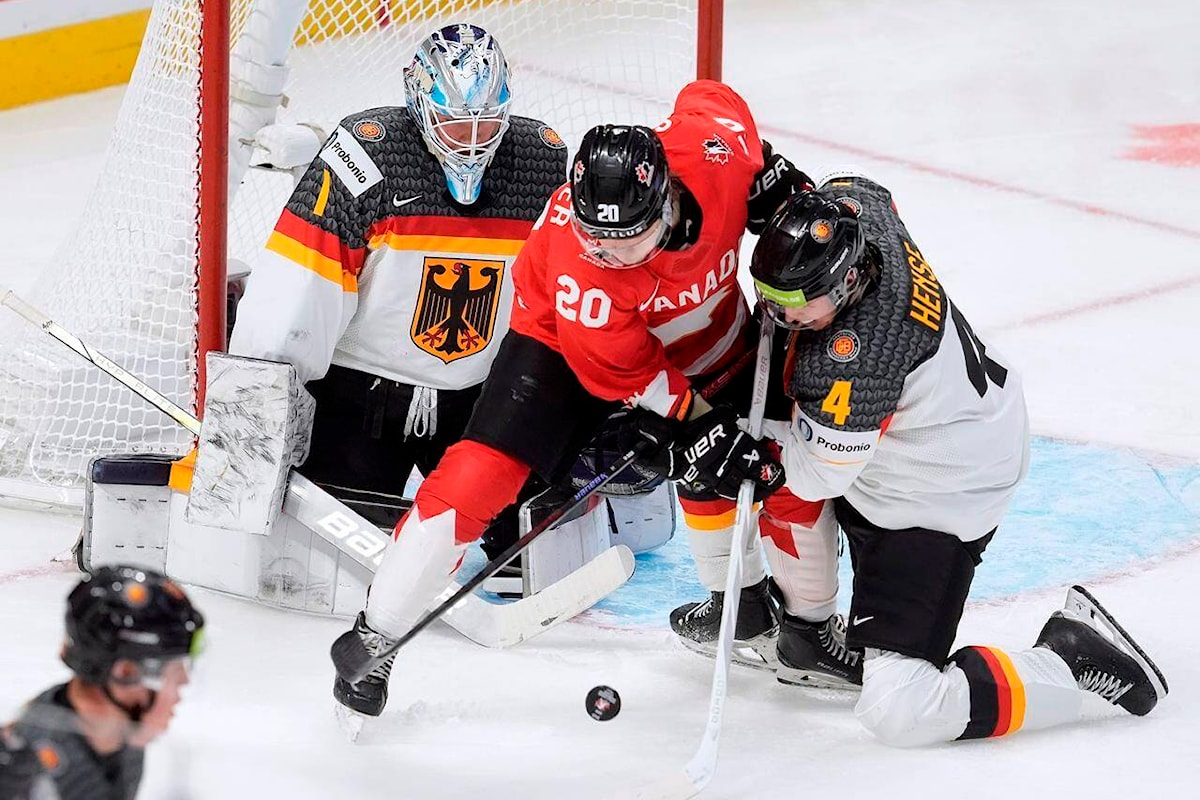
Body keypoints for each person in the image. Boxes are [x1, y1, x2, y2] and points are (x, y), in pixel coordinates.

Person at [330, 79, 814, 709]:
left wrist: (771, 173)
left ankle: (771, 610)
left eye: (623, 241)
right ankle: (377, 637)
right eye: (594, 238)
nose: (605, 253)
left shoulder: (715, 152)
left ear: (664, 202)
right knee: (482, 475)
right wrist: (691, 421)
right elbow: (625, 372)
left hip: (707, 332)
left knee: (776, 455)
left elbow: (709, 96)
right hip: (562, 344)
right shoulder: (582, 270)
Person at [702, 174, 1168, 745]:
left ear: (847, 281)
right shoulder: (861, 219)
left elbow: (814, 474)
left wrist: (733, 447)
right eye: (770, 295)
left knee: (902, 708)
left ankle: (1071, 662)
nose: (778, 314)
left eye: (797, 305)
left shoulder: (856, 359)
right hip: (949, 432)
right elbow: (858, 187)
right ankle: (805, 621)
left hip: (940, 498)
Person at [229, 24, 567, 715]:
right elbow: (297, 297)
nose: (471, 139)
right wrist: (258, 413)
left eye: (486, 120)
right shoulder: (366, 157)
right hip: (362, 396)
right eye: (453, 119)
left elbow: (570, 296)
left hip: (478, 394)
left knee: (531, 553)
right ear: (419, 104)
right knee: (324, 573)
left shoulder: (540, 163)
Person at [0, 565, 204, 798]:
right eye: (174, 671)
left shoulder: (122, 740)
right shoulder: (20, 771)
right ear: (125, 673)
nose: (183, 684)